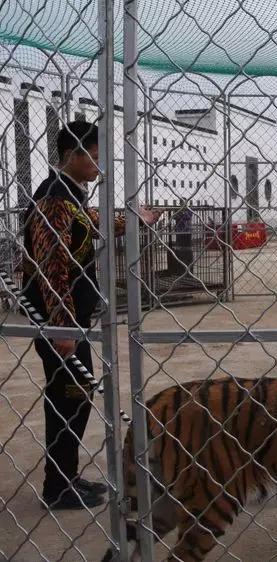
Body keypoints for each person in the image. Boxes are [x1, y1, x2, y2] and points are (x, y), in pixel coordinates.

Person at [20, 121, 161, 510]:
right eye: (95, 158)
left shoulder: (70, 195)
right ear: (72, 156)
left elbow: (92, 222)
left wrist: (135, 220)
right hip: (59, 323)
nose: (100, 167)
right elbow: (54, 267)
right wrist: (60, 326)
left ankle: (66, 476)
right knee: (69, 397)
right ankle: (58, 485)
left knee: (75, 397)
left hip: (70, 321)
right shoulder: (53, 198)